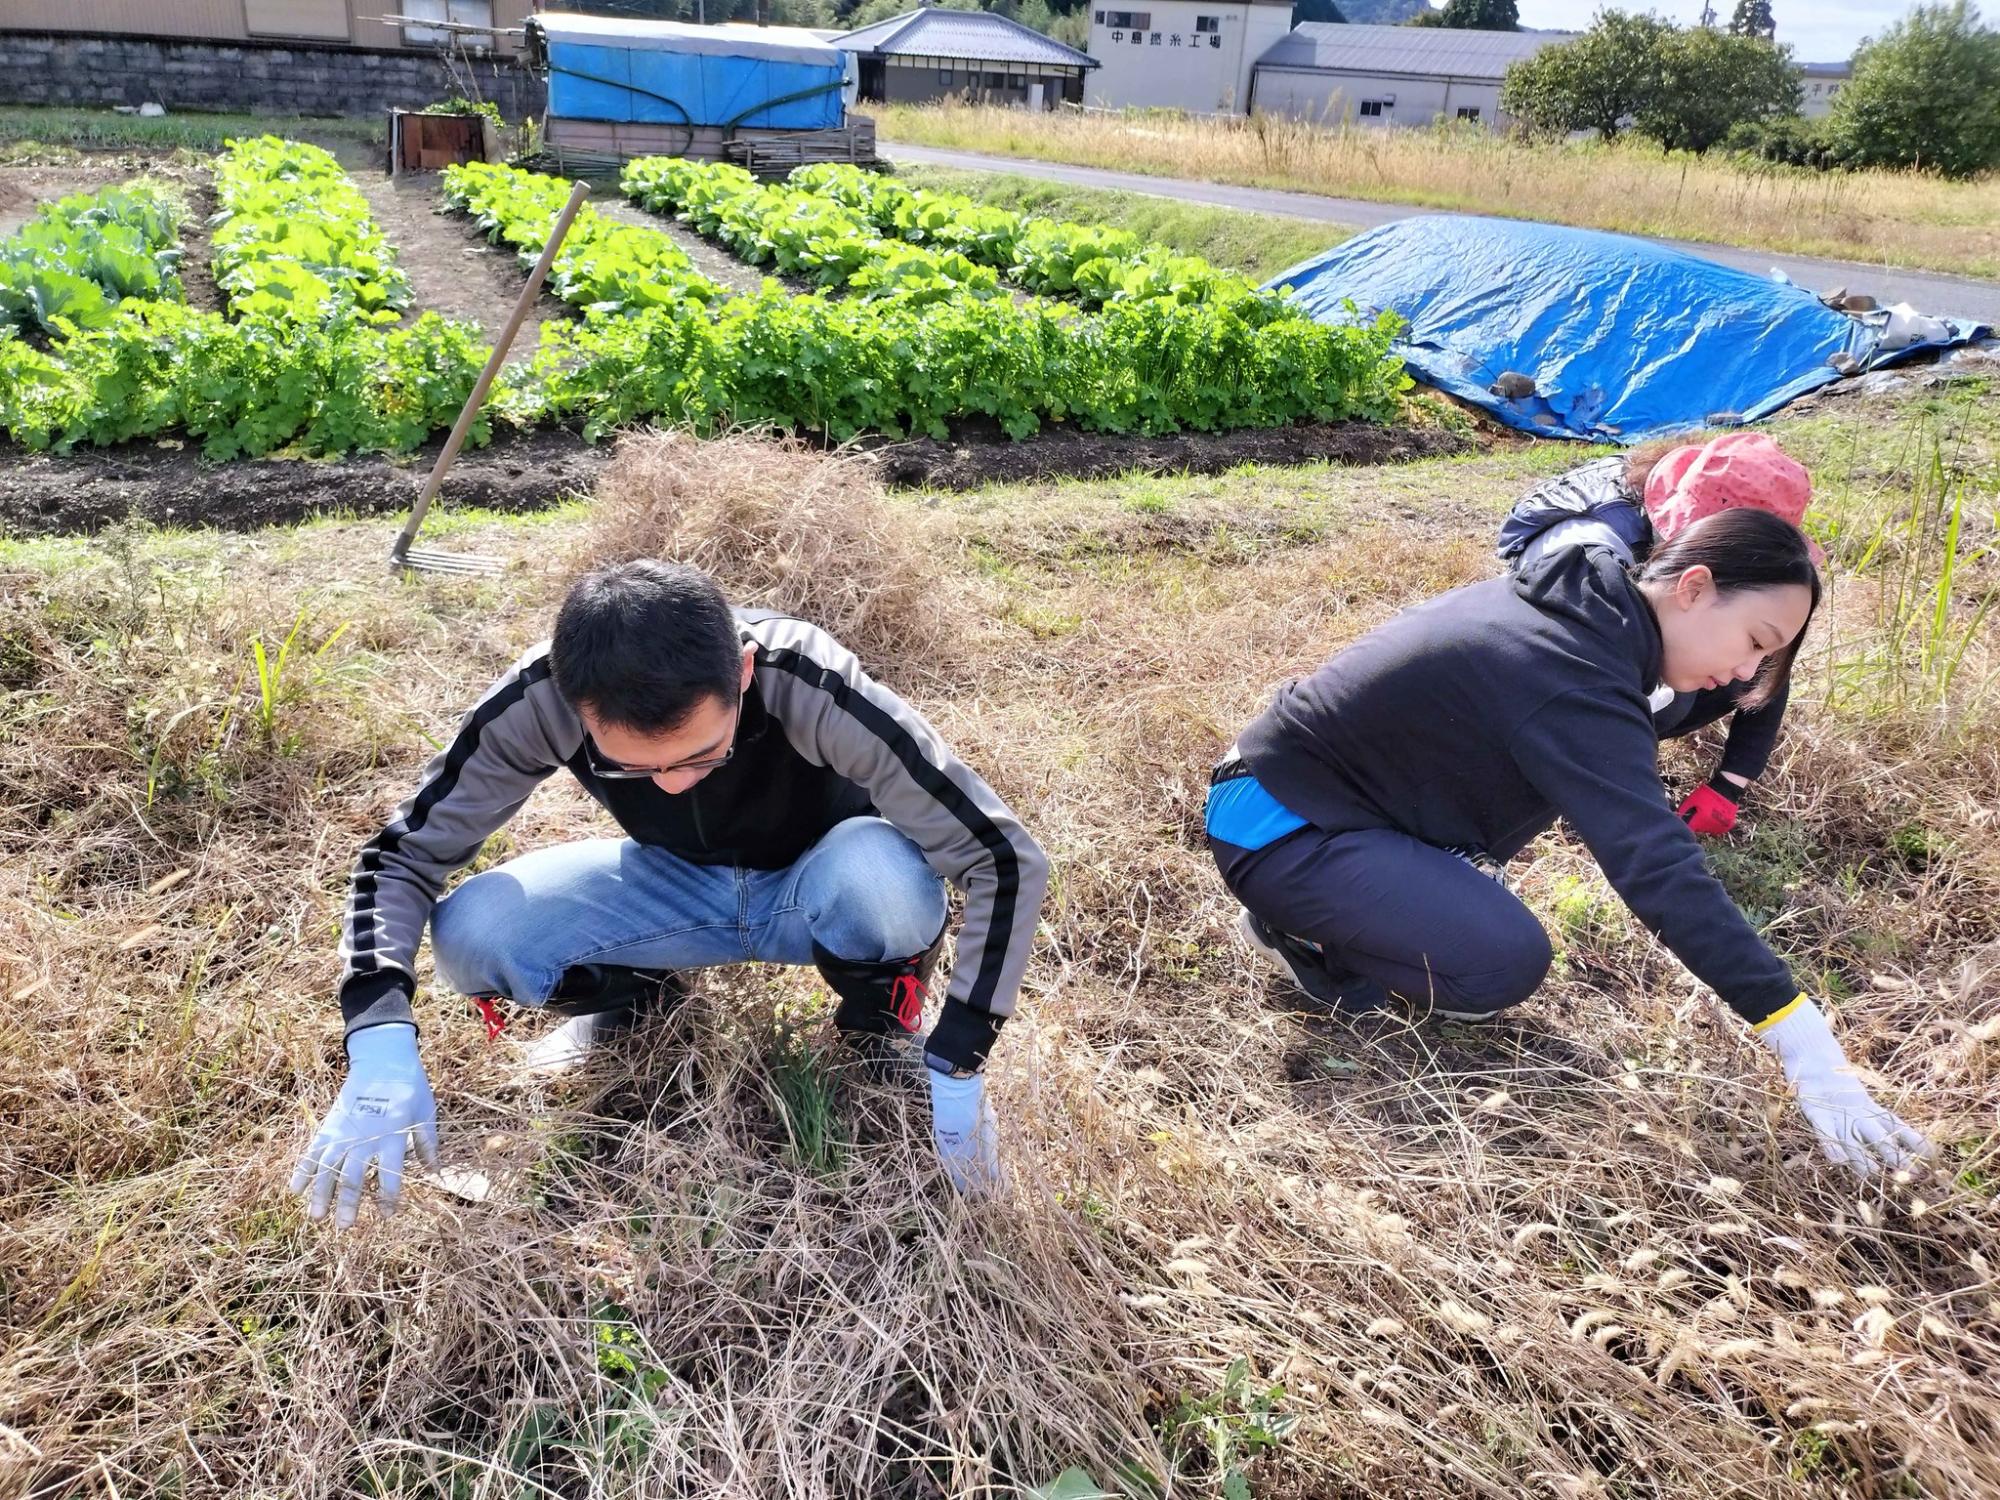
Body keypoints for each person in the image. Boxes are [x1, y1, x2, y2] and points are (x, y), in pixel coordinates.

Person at [290, 560, 1048, 1226]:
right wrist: (379, 1035)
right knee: (473, 934)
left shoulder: (806, 677)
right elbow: (399, 859)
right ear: (574, 704)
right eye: (635, 769)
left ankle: (879, 1021)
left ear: (743, 674)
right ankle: (639, 1005)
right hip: (672, 882)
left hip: (821, 879)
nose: (677, 780)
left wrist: (960, 1056)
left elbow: (1000, 858)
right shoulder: (541, 697)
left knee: (884, 878)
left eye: (703, 753)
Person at [1208, 507, 1930, 1179]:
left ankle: (1376, 897)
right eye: (1754, 642)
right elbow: (1654, 863)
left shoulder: (1594, 615)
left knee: (1479, 936)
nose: (1747, 671)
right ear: (1695, 586)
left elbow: (1727, 698)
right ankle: (1304, 938)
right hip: (1278, 820)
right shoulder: (1571, 674)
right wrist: (1798, 1035)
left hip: (1325, 802)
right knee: (1497, 967)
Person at [1498, 432, 1821, 837]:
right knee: (1670, 699)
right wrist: (1620, 794)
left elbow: (1772, 656)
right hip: (1555, 678)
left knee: (1750, 637)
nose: (1747, 668)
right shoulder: (1585, 560)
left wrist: (1730, 784)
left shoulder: (1691, 557)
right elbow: (1563, 679)